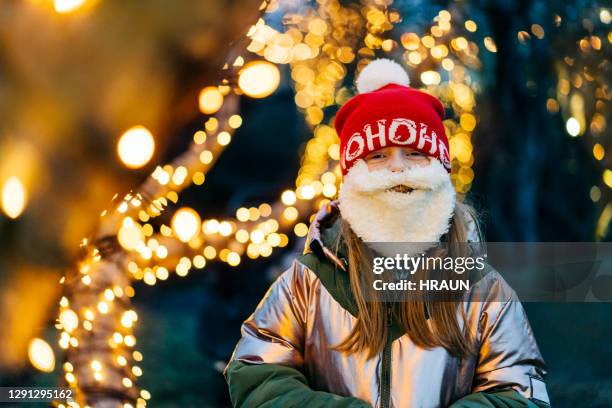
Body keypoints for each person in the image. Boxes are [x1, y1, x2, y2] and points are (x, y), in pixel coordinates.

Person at [224, 59, 550, 408]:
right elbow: (256, 370)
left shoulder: (481, 288)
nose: (398, 167)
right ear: (352, 175)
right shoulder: (308, 280)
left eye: (414, 153)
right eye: (378, 155)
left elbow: (519, 388)